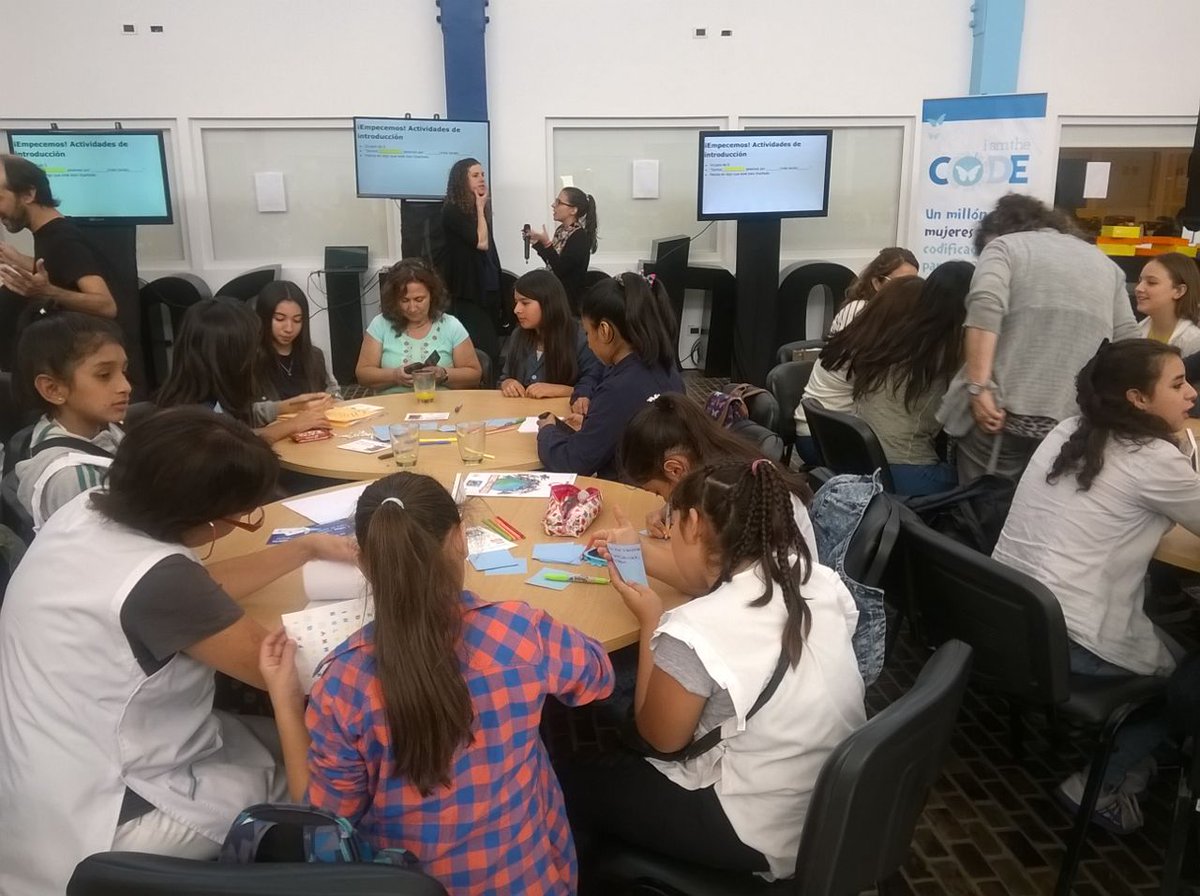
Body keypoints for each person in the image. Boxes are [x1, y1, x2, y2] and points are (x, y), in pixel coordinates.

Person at [0, 408, 360, 894]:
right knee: (335, 771)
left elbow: (195, 588)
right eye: (244, 515)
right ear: (206, 522)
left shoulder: (86, 510)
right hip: (112, 813)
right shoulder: (160, 582)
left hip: (42, 773)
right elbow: (285, 672)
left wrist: (305, 549)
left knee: (281, 741)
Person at [258, 472, 614, 895]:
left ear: (366, 563)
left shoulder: (342, 684)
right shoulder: (521, 632)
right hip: (533, 880)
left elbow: (323, 823)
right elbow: (598, 678)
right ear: (461, 539)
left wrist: (285, 701)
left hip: (407, 885)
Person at [559, 461, 865, 882]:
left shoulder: (694, 631)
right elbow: (709, 580)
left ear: (693, 524)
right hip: (832, 808)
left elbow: (658, 740)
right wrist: (639, 552)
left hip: (759, 827)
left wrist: (651, 621)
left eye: (671, 525)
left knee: (566, 779)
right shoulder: (817, 578)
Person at [992, 339, 1197, 833]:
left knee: (1175, 647)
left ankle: (1143, 762)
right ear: (1137, 399)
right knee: (1188, 685)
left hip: (1008, 618)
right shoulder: (1153, 459)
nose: (1192, 392)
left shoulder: (1068, 430)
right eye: (1177, 384)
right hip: (1070, 638)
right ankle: (1101, 785)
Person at [939, 193, 1139, 484]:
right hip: (1071, 421)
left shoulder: (1004, 247)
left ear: (996, 231)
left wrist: (979, 386)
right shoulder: (1106, 265)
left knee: (982, 502)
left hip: (999, 412)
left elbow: (986, 306)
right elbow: (1128, 341)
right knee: (1046, 503)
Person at [616, 392, 817, 594]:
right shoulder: (724, 470)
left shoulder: (734, 502)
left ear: (676, 469)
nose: (667, 501)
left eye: (659, 492)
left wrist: (636, 550)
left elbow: (704, 581)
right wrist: (667, 509)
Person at [820, 261, 974, 496]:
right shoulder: (953, 352)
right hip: (908, 470)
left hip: (868, 462)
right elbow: (960, 419)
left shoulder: (894, 336)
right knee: (987, 486)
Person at [537, 272, 683, 479]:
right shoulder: (667, 369)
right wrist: (592, 426)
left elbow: (573, 462)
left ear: (605, 330)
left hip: (626, 490)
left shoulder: (618, 389)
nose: (588, 342)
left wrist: (548, 430)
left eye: (587, 332)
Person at [794, 247, 919, 465]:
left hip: (848, 427)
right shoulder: (858, 311)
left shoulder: (891, 318)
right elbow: (878, 375)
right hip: (824, 435)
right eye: (900, 284)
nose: (908, 292)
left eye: (913, 284)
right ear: (877, 282)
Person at [155, 298, 332, 443]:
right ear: (229, 359)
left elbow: (238, 431)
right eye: (251, 350)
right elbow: (236, 444)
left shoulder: (203, 399)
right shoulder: (193, 423)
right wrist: (292, 425)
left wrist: (285, 407)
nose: (254, 357)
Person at [12, 310, 129, 530]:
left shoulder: (102, 427)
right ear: (52, 389)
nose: (125, 386)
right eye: (104, 375)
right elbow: (103, 545)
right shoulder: (73, 477)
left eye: (124, 372)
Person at [0, 155, 118, 371]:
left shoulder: (62, 239)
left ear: (28, 194)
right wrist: (18, 259)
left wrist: (47, 292)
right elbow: (61, 271)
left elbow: (106, 305)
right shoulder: (50, 234)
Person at [355, 259, 482, 394]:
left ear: (432, 296)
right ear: (394, 300)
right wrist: (394, 376)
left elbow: (474, 375)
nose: (412, 308)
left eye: (419, 300)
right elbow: (363, 375)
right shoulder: (380, 324)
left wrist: (444, 374)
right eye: (404, 300)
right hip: (392, 404)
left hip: (443, 404)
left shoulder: (451, 325)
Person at [499, 269, 600, 414]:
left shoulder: (580, 338)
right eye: (516, 302)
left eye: (525, 303)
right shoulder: (518, 336)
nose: (516, 310)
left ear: (548, 303)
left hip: (562, 416)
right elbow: (505, 376)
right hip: (520, 415)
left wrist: (560, 390)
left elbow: (593, 383)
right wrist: (507, 383)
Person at [435, 158, 503, 361]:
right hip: (468, 291)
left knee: (493, 343)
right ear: (461, 181)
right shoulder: (452, 210)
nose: (482, 179)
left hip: (488, 287)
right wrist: (481, 208)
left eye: (483, 175)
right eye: (475, 175)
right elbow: (481, 242)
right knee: (484, 345)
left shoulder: (475, 210)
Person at [253, 280, 338, 402]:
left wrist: (334, 400)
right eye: (280, 319)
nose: (289, 328)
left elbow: (333, 392)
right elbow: (246, 409)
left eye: (297, 320)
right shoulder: (249, 360)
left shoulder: (315, 356)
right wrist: (281, 408)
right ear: (263, 317)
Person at [529, 187, 599, 314]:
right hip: (554, 294)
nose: (553, 205)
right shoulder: (562, 230)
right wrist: (537, 243)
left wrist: (547, 243)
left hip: (567, 301)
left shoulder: (579, 237)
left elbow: (561, 269)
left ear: (573, 210)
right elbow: (552, 262)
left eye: (558, 202)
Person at [1133, 253, 1200, 357]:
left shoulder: (1194, 341)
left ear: (1179, 291)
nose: (1138, 288)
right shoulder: (1136, 331)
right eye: (1140, 281)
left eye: (1151, 282)